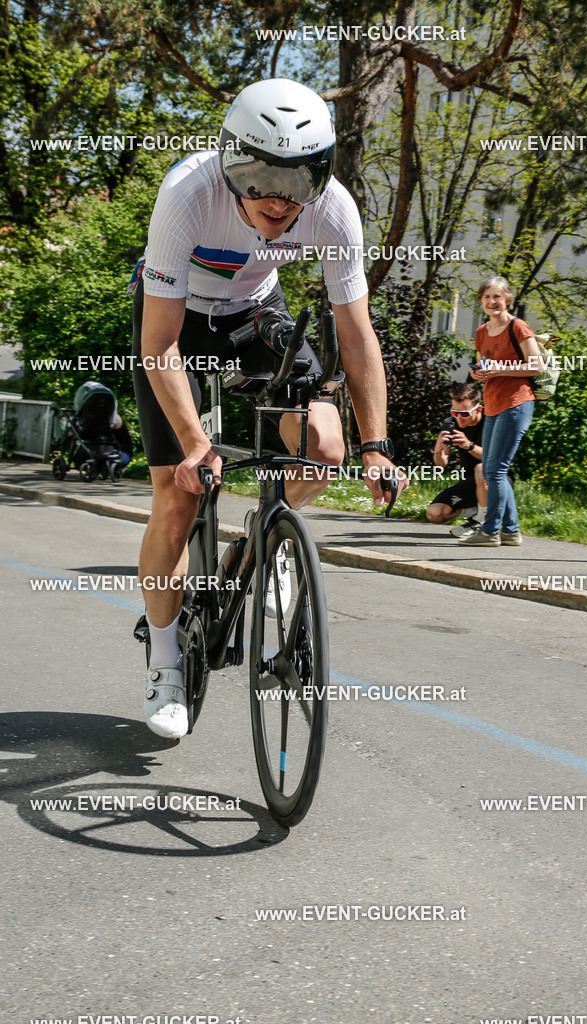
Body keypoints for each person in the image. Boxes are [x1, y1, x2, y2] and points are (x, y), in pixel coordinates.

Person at [132, 78, 405, 739]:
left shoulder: (333, 209)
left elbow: (356, 333)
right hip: (177, 323)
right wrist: (197, 446)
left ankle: (260, 538)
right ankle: (166, 662)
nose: (278, 199)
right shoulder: (187, 192)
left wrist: (377, 445)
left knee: (325, 449)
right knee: (178, 493)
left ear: (322, 172)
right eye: (257, 174)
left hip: (257, 314)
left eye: (298, 178)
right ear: (230, 160)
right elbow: (159, 344)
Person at [459, 275, 540, 547]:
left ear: (507, 300)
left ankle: (491, 530)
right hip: (492, 403)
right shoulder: (482, 332)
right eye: (487, 297)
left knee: (495, 470)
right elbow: (485, 364)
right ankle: (510, 531)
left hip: (517, 403)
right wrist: (477, 373)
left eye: (497, 297)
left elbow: (536, 366)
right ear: (481, 301)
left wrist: (501, 369)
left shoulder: (518, 327)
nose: (492, 301)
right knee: (493, 469)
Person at [426, 382, 486, 541]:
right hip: (469, 481)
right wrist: (438, 449)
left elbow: (494, 459)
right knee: (435, 513)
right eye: (455, 412)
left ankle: (482, 520)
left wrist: (469, 446)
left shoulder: (491, 421)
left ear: (478, 409)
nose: (459, 418)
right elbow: (441, 464)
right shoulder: (450, 424)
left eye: (465, 414)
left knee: (481, 468)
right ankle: (475, 510)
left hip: (495, 479)